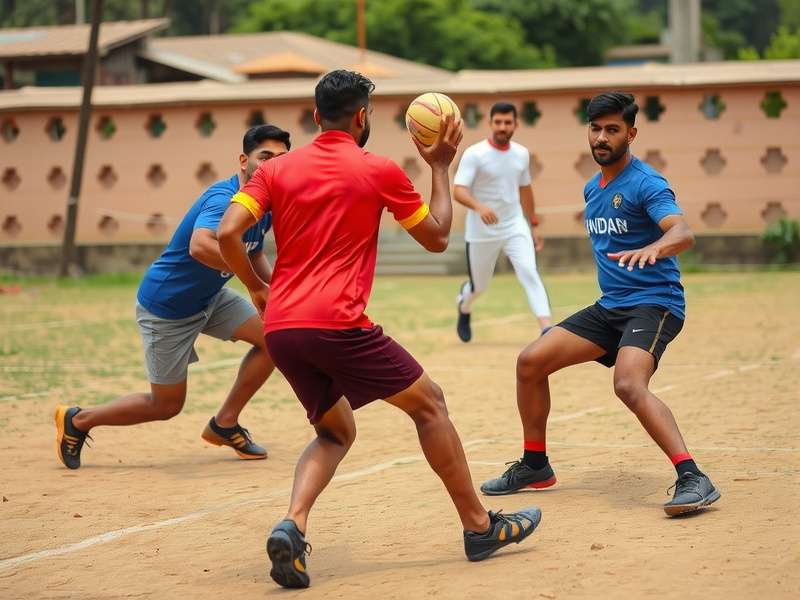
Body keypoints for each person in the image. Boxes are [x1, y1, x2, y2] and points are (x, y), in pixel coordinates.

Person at [218, 70, 541, 589]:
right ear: (363, 117)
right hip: (338, 324)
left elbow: (227, 232)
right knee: (430, 404)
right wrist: (439, 165)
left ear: (317, 116)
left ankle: (292, 525)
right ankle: (480, 528)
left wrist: (257, 288)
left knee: (334, 430)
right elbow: (437, 238)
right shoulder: (378, 169)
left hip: (281, 330)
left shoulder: (277, 170)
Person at [479, 92, 720, 517]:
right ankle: (536, 465)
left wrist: (656, 248)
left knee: (628, 384)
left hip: (654, 304)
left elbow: (682, 232)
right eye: (595, 129)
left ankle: (693, 477)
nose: (602, 137)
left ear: (631, 133)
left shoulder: (647, 182)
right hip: (611, 308)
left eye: (612, 129)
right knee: (530, 362)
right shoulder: (593, 188)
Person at [54, 124, 291, 469]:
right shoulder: (224, 199)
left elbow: (253, 252)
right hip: (168, 307)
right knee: (166, 405)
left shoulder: (264, 204)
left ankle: (224, 424)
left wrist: (279, 291)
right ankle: (78, 420)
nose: (272, 166)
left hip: (209, 297)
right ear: (244, 161)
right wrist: (255, 286)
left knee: (274, 337)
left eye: (281, 159)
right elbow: (200, 246)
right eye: (264, 157)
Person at [454, 101, 552, 342]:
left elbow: (526, 191)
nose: (502, 127)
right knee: (480, 287)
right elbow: (458, 190)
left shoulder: (521, 154)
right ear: (490, 124)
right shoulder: (475, 154)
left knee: (529, 272)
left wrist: (534, 226)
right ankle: (464, 306)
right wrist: (479, 206)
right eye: (498, 122)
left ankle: (546, 328)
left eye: (507, 122)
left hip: (514, 225)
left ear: (515, 125)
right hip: (480, 230)